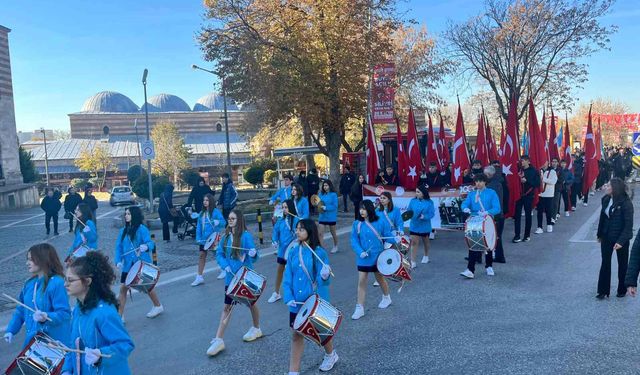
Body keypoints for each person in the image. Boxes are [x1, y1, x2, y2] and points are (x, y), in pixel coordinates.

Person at [62, 252, 134, 374]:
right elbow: (73, 347)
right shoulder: (78, 309)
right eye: (65, 279)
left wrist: (101, 356)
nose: (65, 284)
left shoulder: (104, 313)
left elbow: (125, 344)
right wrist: (67, 370)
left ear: (88, 281)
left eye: (70, 280)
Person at [283, 219, 337, 374]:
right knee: (296, 334)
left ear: (309, 232)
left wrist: (325, 275)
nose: (297, 231)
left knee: (321, 332)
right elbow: (288, 277)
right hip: (296, 302)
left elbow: (322, 282)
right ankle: (294, 371)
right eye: (297, 229)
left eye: (301, 229)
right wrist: (288, 297)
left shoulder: (319, 252)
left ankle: (330, 354)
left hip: (313, 301)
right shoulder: (293, 251)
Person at [207, 210, 262, 356]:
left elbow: (254, 255)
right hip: (230, 279)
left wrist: (254, 254)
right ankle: (219, 339)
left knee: (252, 304)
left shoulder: (245, 236)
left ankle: (256, 328)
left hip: (245, 277)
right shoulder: (225, 237)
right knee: (227, 307)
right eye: (229, 218)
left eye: (233, 218)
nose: (230, 220)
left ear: (239, 220)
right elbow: (219, 254)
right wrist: (224, 265)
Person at [4, 243, 71, 348]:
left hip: (53, 343)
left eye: (31, 259)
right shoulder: (29, 283)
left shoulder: (57, 282)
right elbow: (21, 309)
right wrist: (11, 330)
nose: (27, 263)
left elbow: (64, 313)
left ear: (42, 259)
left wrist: (47, 317)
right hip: (33, 341)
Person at [350, 200, 399, 320]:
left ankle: (386, 297)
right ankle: (359, 307)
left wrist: (397, 238)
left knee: (380, 278)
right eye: (360, 209)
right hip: (363, 257)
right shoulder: (357, 224)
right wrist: (360, 251)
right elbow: (354, 240)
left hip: (378, 256)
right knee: (361, 281)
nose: (361, 211)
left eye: (364, 209)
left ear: (370, 209)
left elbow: (387, 235)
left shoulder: (380, 221)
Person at [114, 206, 164, 320]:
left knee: (147, 287)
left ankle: (157, 305)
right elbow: (119, 248)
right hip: (128, 265)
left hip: (141, 264)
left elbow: (150, 243)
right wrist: (118, 261)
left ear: (134, 215)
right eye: (125, 213)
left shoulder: (142, 229)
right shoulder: (123, 231)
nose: (126, 216)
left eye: (128, 214)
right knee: (123, 288)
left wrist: (145, 246)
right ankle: (119, 315)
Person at [596, 178, 633, 299]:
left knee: (622, 264)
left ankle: (622, 289)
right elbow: (602, 218)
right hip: (607, 236)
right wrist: (599, 234)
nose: (605, 187)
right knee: (605, 262)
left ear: (614, 188)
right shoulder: (605, 199)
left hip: (621, 238)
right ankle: (603, 291)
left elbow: (628, 225)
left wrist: (621, 241)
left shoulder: (626, 203)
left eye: (608, 185)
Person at [460, 174, 501, 278]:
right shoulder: (472, 194)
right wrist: (465, 208)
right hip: (474, 221)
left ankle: (489, 266)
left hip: (488, 221)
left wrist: (487, 212)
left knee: (488, 244)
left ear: (485, 182)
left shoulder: (491, 193)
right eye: (476, 181)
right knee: (473, 242)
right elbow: (465, 204)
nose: (478, 183)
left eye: (480, 181)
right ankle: (470, 269)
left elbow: (497, 208)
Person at [192, 194, 226, 286]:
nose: (205, 202)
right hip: (203, 239)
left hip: (214, 237)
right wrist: (198, 238)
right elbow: (198, 227)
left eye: (207, 200)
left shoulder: (215, 212)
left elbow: (224, 222)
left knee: (217, 254)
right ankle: (199, 277)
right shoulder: (201, 214)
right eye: (204, 200)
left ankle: (223, 269)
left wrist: (217, 222)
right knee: (201, 256)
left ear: (210, 201)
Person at [268, 200, 298, 303]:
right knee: (279, 271)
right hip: (282, 251)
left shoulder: (296, 221)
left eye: (286, 207)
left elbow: (300, 233)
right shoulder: (280, 221)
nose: (284, 209)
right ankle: (276, 293)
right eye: (283, 207)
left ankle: (296, 293)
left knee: (293, 272)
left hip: (293, 250)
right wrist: (274, 241)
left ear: (291, 208)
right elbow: (275, 232)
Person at [513, 156, 540, 243]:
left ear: (528, 161)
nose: (522, 162)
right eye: (521, 161)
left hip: (528, 196)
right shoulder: (518, 170)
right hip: (518, 195)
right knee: (517, 216)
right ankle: (517, 235)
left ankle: (527, 235)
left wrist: (527, 181)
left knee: (528, 215)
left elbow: (537, 183)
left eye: (523, 161)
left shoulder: (534, 171)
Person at [407, 185, 435, 268]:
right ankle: (413, 261)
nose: (416, 193)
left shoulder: (429, 202)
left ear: (423, 193)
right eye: (416, 191)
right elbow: (409, 211)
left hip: (425, 226)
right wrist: (408, 215)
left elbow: (432, 213)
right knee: (414, 243)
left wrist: (424, 216)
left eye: (418, 192)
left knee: (426, 242)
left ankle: (426, 256)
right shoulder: (412, 201)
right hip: (414, 225)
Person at [485, 166, 506, 263]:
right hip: (498, 214)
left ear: (489, 175)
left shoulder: (493, 186)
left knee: (495, 236)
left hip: (495, 214)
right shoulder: (498, 183)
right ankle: (499, 256)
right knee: (497, 236)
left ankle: (499, 257)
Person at [535, 161, 557, 234]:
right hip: (540, 194)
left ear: (548, 163)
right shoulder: (539, 170)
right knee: (539, 211)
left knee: (548, 210)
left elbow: (553, 181)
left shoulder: (552, 171)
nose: (544, 163)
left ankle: (549, 224)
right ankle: (539, 227)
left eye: (545, 162)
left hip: (549, 194)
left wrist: (543, 179)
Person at [318, 180, 339, 253]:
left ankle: (335, 246)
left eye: (326, 185)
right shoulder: (321, 194)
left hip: (331, 217)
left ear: (330, 186)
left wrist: (326, 207)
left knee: (333, 232)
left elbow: (335, 206)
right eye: (324, 185)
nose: (325, 187)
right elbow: (318, 203)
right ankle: (322, 248)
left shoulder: (333, 195)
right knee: (320, 233)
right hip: (322, 216)